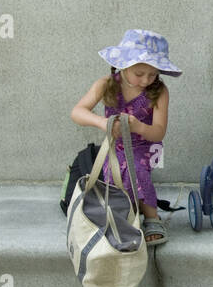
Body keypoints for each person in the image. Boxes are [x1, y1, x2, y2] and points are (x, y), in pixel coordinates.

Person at [71, 30, 180, 245]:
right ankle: (122, 213)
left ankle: (151, 217)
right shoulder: (106, 85)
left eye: (152, 74)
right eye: (139, 73)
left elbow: (158, 131)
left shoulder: (158, 92)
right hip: (114, 145)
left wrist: (138, 126)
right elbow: (77, 112)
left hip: (144, 145)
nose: (146, 80)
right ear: (123, 65)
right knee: (112, 174)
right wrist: (103, 123)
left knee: (138, 171)